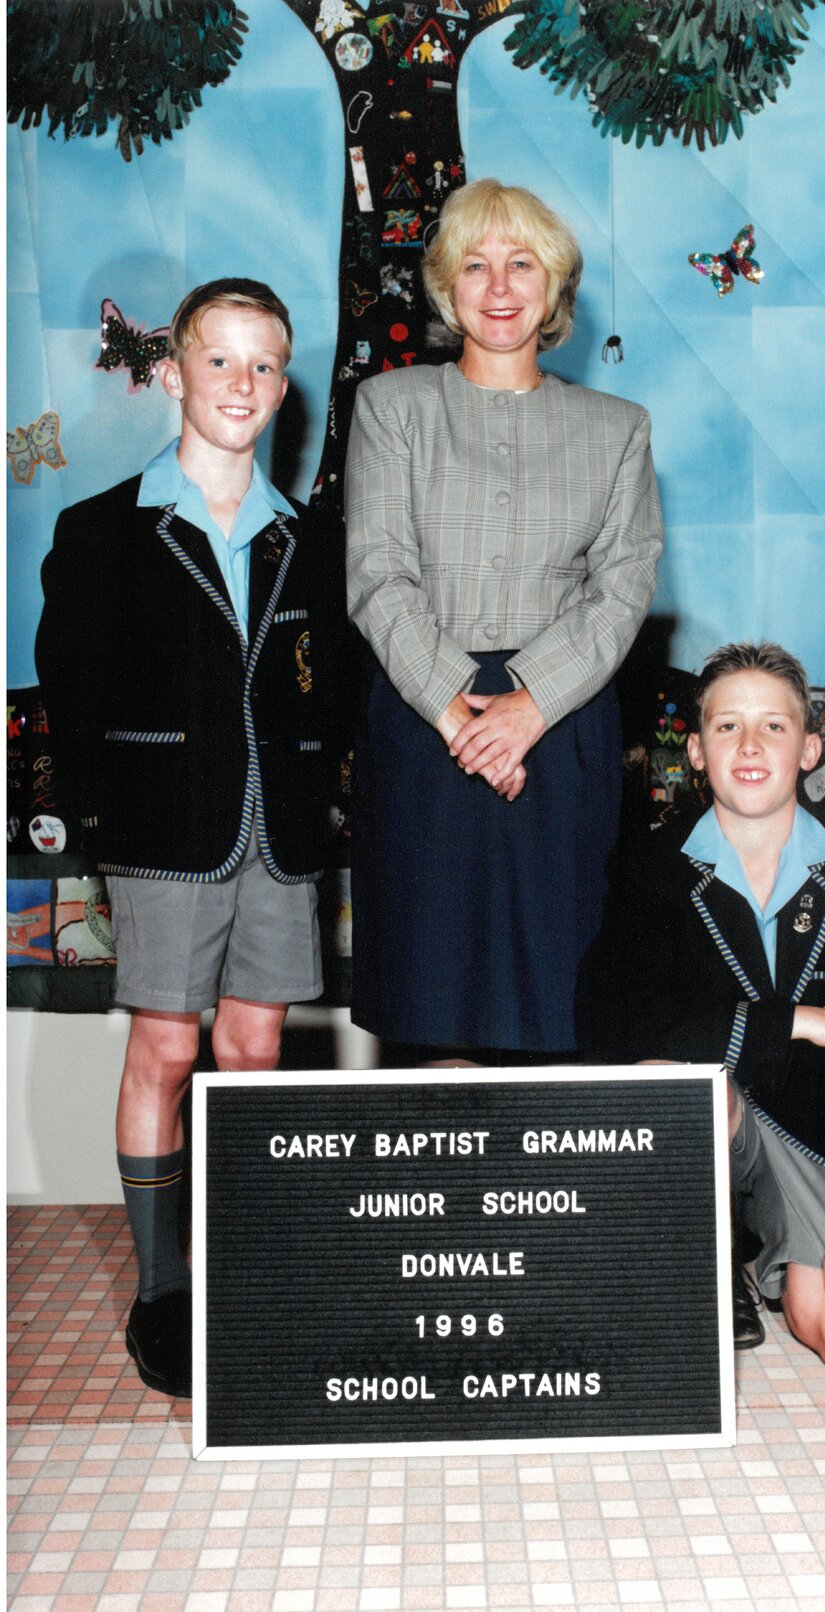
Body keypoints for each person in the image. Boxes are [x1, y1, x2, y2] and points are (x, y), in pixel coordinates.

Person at [35, 279, 335, 1399]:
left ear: (283, 383)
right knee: (164, 1049)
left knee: (253, 1050)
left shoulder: (309, 538)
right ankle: (165, 1289)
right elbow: (72, 691)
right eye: (220, 362)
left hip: (281, 832)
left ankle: (247, 1265)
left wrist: (318, 792)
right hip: (166, 837)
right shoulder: (102, 530)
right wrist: (118, 825)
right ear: (173, 374)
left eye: (264, 366)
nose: (241, 386)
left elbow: (327, 690)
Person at [345, 178, 664, 1062]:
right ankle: (447, 1193)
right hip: (421, 721)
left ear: (554, 288)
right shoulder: (392, 408)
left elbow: (623, 586)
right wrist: (459, 713)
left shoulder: (619, 428)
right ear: (447, 287)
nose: (499, 286)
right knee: (433, 993)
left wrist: (528, 705)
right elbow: (377, 573)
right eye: (476, 266)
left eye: (522, 264)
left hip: (561, 728)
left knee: (560, 992)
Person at [584, 642, 825, 1371]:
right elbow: (611, 1021)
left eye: (774, 728)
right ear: (694, 749)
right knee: (678, 1081)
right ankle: (711, 1258)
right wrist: (801, 1021)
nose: (749, 746)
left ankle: (771, 1244)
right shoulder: (649, 867)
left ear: (810, 747)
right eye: (726, 728)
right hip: (717, 1122)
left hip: (824, 1140)